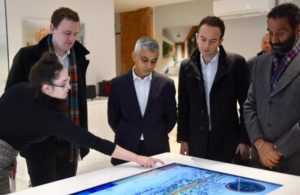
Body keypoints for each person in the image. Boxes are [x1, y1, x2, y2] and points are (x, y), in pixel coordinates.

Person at [0, 53, 163, 194]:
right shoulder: (51, 117)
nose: (69, 87)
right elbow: (94, 142)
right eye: (63, 84)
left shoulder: (20, 88)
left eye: (68, 81)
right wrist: (138, 158)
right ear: (47, 88)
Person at [5, 7, 90, 186]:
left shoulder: (79, 58)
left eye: (75, 34)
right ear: (52, 28)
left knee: (67, 189)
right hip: (39, 144)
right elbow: (10, 104)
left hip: (70, 142)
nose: (72, 39)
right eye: (67, 33)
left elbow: (78, 99)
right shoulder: (26, 56)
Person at [177, 16, 251, 164]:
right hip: (196, 140)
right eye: (203, 39)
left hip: (228, 140)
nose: (206, 46)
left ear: (220, 41)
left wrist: (245, 140)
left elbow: (246, 105)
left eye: (212, 41)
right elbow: (184, 106)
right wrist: (183, 139)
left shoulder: (236, 63)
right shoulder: (186, 66)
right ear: (197, 37)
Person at [243, 3, 300, 176]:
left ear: (297, 29)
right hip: (259, 160)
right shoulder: (261, 62)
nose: (273, 39)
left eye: (280, 32)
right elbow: (249, 106)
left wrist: (277, 150)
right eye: (270, 32)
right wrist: (260, 144)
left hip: (294, 163)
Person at [108, 36, 177, 165]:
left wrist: (154, 133)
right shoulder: (117, 84)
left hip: (157, 147)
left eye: (153, 61)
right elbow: (113, 118)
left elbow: (171, 117)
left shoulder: (166, 84)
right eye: (144, 60)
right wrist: (129, 133)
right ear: (134, 56)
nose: (149, 65)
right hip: (125, 148)